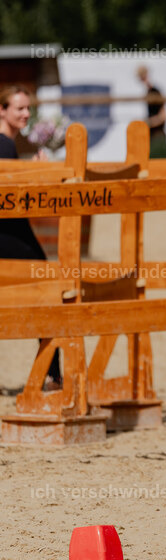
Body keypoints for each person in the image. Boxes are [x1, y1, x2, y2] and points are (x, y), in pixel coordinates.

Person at [0, 85, 62, 388]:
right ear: (2, 111)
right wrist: (36, 175)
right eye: (18, 108)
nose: (25, 113)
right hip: (10, 235)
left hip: (11, 234)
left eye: (27, 109)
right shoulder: (4, 145)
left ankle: (51, 371)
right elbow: (10, 196)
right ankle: (52, 374)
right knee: (48, 293)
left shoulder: (8, 145)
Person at [135, 66, 166, 159]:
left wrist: (149, 122)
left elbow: (164, 115)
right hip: (151, 135)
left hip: (158, 135)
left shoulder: (155, 91)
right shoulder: (148, 91)